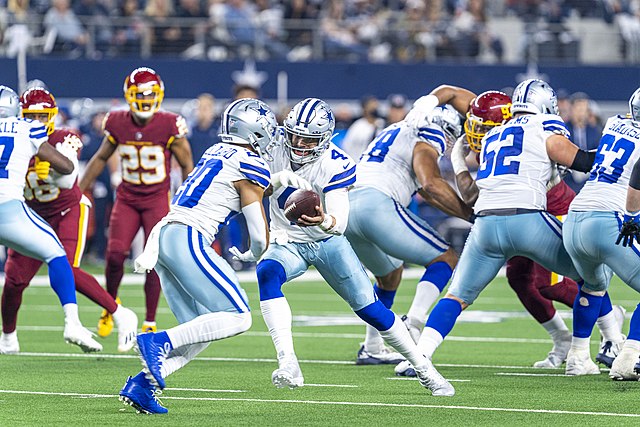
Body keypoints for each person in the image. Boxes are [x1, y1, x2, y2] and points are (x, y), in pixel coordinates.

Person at [255, 98, 455, 396]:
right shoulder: (273, 149)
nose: (298, 143)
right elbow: (248, 187)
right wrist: (270, 181)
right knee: (267, 273)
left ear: (323, 139)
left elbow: (339, 223)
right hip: (289, 242)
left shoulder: (335, 163)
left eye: (307, 139)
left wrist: (323, 220)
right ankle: (288, 362)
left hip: (327, 242)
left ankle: (425, 369)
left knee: (372, 309)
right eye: (294, 135)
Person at [409, 79, 598, 385]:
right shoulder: (544, 125)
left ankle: (421, 355)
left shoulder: (494, 134)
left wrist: (457, 160)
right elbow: (583, 162)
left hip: (485, 224)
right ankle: (583, 354)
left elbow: (470, 197)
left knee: (457, 296)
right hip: (528, 218)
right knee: (592, 276)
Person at [444, 87, 624, 370]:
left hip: (555, 208)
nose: (481, 131)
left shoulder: (534, 130)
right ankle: (562, 338)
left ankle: (611, 330)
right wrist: (457, 161)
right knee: (518, 278)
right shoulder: (498, 140)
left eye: (487, 124)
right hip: (523, 216)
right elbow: (472, 196)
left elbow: (576, 159)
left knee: (553, 282)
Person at [119, 98, 275, 414]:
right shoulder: (249, 163)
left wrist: (277, 184)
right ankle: (155, 341)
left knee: (200, 330)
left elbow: (248, 187)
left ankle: (141, 385)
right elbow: (258, 234)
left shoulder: (217, 151)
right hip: (188, 236)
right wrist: (253, 253)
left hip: (166, 235)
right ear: (255, 132)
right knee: (239, 316)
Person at [0, 88, 138, 354]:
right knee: (15, 280)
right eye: (32, 116)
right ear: (20, 114)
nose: (38, 121)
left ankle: (119, 313)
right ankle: (8, 337)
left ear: (53, 115)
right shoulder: (22, 133)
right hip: (28, 214)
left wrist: (49, 171)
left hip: (66, 211)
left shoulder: (64, 136)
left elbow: (68, 178)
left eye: (43, 116)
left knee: (66, 269)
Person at [346, 97, 473, 365]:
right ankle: (413, 325)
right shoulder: (432, 133)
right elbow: (431, 185)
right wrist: (472, 215)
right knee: (445, 258)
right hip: (376, 204)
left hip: (349, 206)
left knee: (389, 275)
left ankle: (371, 346)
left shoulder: (395, 129)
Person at [79, 67, 194, 335]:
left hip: (156, 199)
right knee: (115, 254)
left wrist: (189, 201)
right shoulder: (117, 122)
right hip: (128, 199)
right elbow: (100, 158)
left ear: (159, 95)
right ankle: (109, 305)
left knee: (153, 259)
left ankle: (150, 320)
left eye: (149, 95)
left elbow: (188, 164)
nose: (144, 100)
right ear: (129, 96)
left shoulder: (169, 124)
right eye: (139, 95)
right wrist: (80, 190)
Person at [563, 87, 640, 377]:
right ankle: (628, 356)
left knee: (593, 286)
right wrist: (632, 217)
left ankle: (578, 356)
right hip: (610, 218)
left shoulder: (613, 123)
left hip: (575, 217)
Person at [341, 95, 384, 161]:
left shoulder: (382, 124)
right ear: (364, 108)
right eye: (370, 106)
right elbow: (346, 145)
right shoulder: (358, 125)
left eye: (375, 106)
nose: (373, 108)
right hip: (358, 162)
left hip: (377, 164)